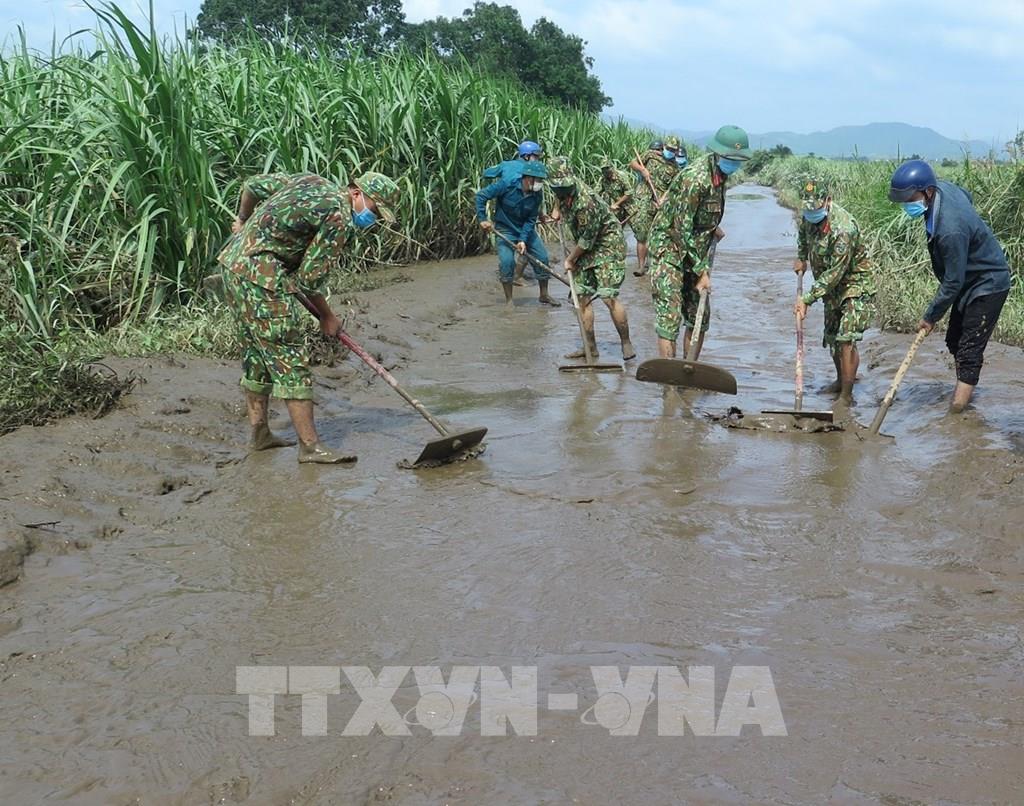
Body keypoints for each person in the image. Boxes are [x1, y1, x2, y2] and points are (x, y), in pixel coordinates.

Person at [218, 170, 399, 465]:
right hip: (261, 278)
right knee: (289, 357)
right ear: (356, 194)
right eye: (375, 210)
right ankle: (311, 447)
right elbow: (308, 279)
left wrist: (243, 220)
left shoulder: (310, 180)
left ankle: (260, 435)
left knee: (257, 354)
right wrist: (327, 317)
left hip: (233, 266)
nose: (373, 220)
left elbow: (251, 185)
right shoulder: (339, 217)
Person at [888, 159, 1012, 412]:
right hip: (969, 278)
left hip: (989, 282)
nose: (907, 205)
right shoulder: (942, 189)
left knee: (968, 348)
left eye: (910, 198)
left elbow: (952, 282)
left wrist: (930, 316)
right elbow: (967, 195)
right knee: (954, 339)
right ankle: (966, 383)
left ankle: (957, 412)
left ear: (927, 192)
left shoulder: (950, 230)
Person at [648, 125, 751, 359]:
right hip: (670, 248)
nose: (734, 164)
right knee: (670, 315)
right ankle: (670, 385)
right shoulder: (695, 178)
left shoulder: (721, 175)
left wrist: (711, 226)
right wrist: (702, 271)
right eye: (730, 158)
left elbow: (699, 212)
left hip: (695, 248)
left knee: (699, 316)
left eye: (738, 159)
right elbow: (681, 229)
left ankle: (689, 371)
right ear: (718, 154)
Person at [793, 178, 876, 405]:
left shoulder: (843, 229)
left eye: (816, 207)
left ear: (828, 201)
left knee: (846, 338)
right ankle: (840, 381)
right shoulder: (809, 216)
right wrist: (801, 257)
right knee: (831, 337)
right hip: (830, 289)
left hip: (854, 285)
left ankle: (847, 396)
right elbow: (803, 235)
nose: (811, 212)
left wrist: (807, 299)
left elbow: (835, 273)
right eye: (808, 207)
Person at [547, 156, 635, 361]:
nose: (561, 191)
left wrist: (570, 259)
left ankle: (626, 343)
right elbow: (558, 198)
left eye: (563, 187)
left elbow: (587, 240)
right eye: (556, 188)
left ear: (572, 179)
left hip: (607, 245)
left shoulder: (586, 202)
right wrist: (556, 211)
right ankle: (590, 348)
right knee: (582, 297)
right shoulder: (560, 189)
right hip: (585, 246)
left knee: (607, 296)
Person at [475, 160, 561, 308]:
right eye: (538, 180)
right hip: (505, 229)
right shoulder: (506, 185)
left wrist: (522, 240)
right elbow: (481, 196)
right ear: (528, 178)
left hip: (524, 229)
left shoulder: (537, 195)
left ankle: (544, 295)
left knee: (542, 257)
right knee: (507, 262)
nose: (540, 183)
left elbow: (530, 220)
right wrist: (483, 219)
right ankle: (509, 300)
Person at [629, 136, 682, 276]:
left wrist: (663, 199)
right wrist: (642, 169)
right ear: (664, 146)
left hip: (660, 204)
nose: (670, 151)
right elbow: (632, 163)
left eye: (673, 150)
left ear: (676, 152)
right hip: (644, 199)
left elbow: (672, 188)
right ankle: (641, 266)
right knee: (642, 235)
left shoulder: (675, 168)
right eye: (668, 148)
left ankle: (656, 266)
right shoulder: (651, 155)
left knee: (659, 235)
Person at [598, 159, 634, 227]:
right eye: (603, 169)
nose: (605, 171)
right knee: (616, 227)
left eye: (607, 168)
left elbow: (629, 193)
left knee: (636, 227)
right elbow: (598, 191)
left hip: (628, 205)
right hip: (617, 208)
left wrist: (616, 204)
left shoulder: (621, 176)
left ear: (611, 168)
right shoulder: (603, 179)